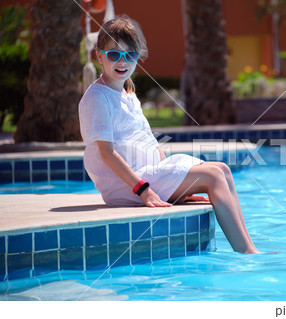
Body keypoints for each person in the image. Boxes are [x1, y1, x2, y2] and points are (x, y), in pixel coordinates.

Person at [78, 16, 260, 254]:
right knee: (213, 177)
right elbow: (107, 154)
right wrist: (145, 190)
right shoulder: (98, 98)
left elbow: (149, 143)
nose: (122, 61)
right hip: (125, 186)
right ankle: (248, 254)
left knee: (222, 171)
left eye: (130, 55)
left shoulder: (128, 95)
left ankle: (250, 247)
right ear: (99, 56)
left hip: (147, 176)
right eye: (114, 54)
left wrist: (177, 188)